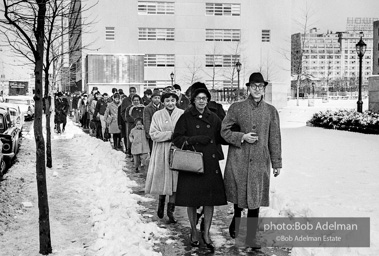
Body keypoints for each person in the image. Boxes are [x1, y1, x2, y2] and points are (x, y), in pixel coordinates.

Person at [221, 72, 282, 248]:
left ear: (264, 88)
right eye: (254, 86)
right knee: (240, 196)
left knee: (255, 198)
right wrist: (242, 137)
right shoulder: (236, 107)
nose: (257, 89)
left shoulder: (271, 111)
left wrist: (276, 162)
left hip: (260, 160)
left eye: (260, 86)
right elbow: (224, 131)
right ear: (248, 87)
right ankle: (237, 220)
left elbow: (275, 138)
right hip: (239, 159)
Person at [172, 86, 227, 252]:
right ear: (193, 101)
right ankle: (194, 232)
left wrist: (238, 135)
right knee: (192, 200)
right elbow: (177, 138)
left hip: (210, 163)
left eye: (204, 98)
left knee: (209, 200)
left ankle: (207, 233)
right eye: (199, 98)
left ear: (207, 100)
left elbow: (221, 136)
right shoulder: (186, 117)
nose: (202, 101)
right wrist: (194, 139)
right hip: (193, 162)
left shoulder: (214, 117)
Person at [145, 90, 184, 224]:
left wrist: (178, 138)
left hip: (177, 150)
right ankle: (161, 202)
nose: (170, 103)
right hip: (161, 150)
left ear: (176, 101)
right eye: (167, 101)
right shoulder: (157, 115)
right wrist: (169, 135)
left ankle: (171, 210)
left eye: (173, 100)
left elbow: (185, 132)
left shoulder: (182, 114)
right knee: (163, 177)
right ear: (163, 102)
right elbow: (153, 133)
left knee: (175, 181)